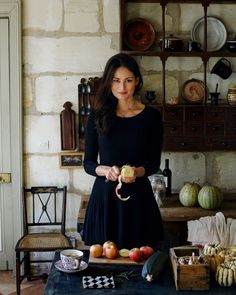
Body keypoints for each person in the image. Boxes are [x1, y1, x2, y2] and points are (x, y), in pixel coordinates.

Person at [82, 53, 164, 250]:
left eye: (128, 80)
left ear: (137, 81)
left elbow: (153, 163)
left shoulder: (151, 117)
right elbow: (88, 163)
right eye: (116, 81)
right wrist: (106, 171)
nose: (122, 87)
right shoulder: (97, 114)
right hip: (105, 198)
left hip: (139, 199)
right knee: (104, 263)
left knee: (141, 265)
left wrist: (136, 172)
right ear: (109, 82)